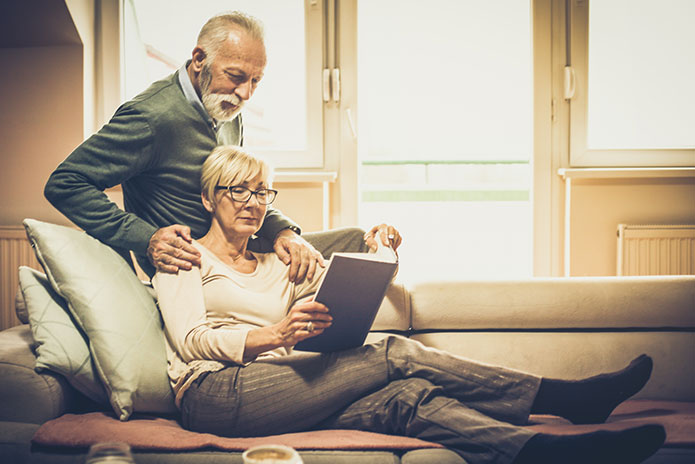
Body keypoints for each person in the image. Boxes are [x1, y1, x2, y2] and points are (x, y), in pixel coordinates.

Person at [152, 145, 666, 464]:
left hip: (278, 388)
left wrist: (378, 251)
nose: (252, 201)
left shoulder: (277, 261)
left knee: (406, 397)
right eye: (236, 190)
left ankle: (537, 450)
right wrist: (274, 335)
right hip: (212, 394)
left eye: (262, 191)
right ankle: (569, 399)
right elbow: (190, 339)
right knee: (394, 353)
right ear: (207, 199)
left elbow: (336, 290)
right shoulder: (182, 254)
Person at [44, 10, 381, 281]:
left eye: (255, 81)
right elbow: (66, 183)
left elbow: (243, 190)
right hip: (200, 272)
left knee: (357, 242)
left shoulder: (227, 110)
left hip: (243, 252)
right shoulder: (151, 117)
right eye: (235, 76)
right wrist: (146, 238)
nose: (246, 93)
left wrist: (285, 233)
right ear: (199, 58)